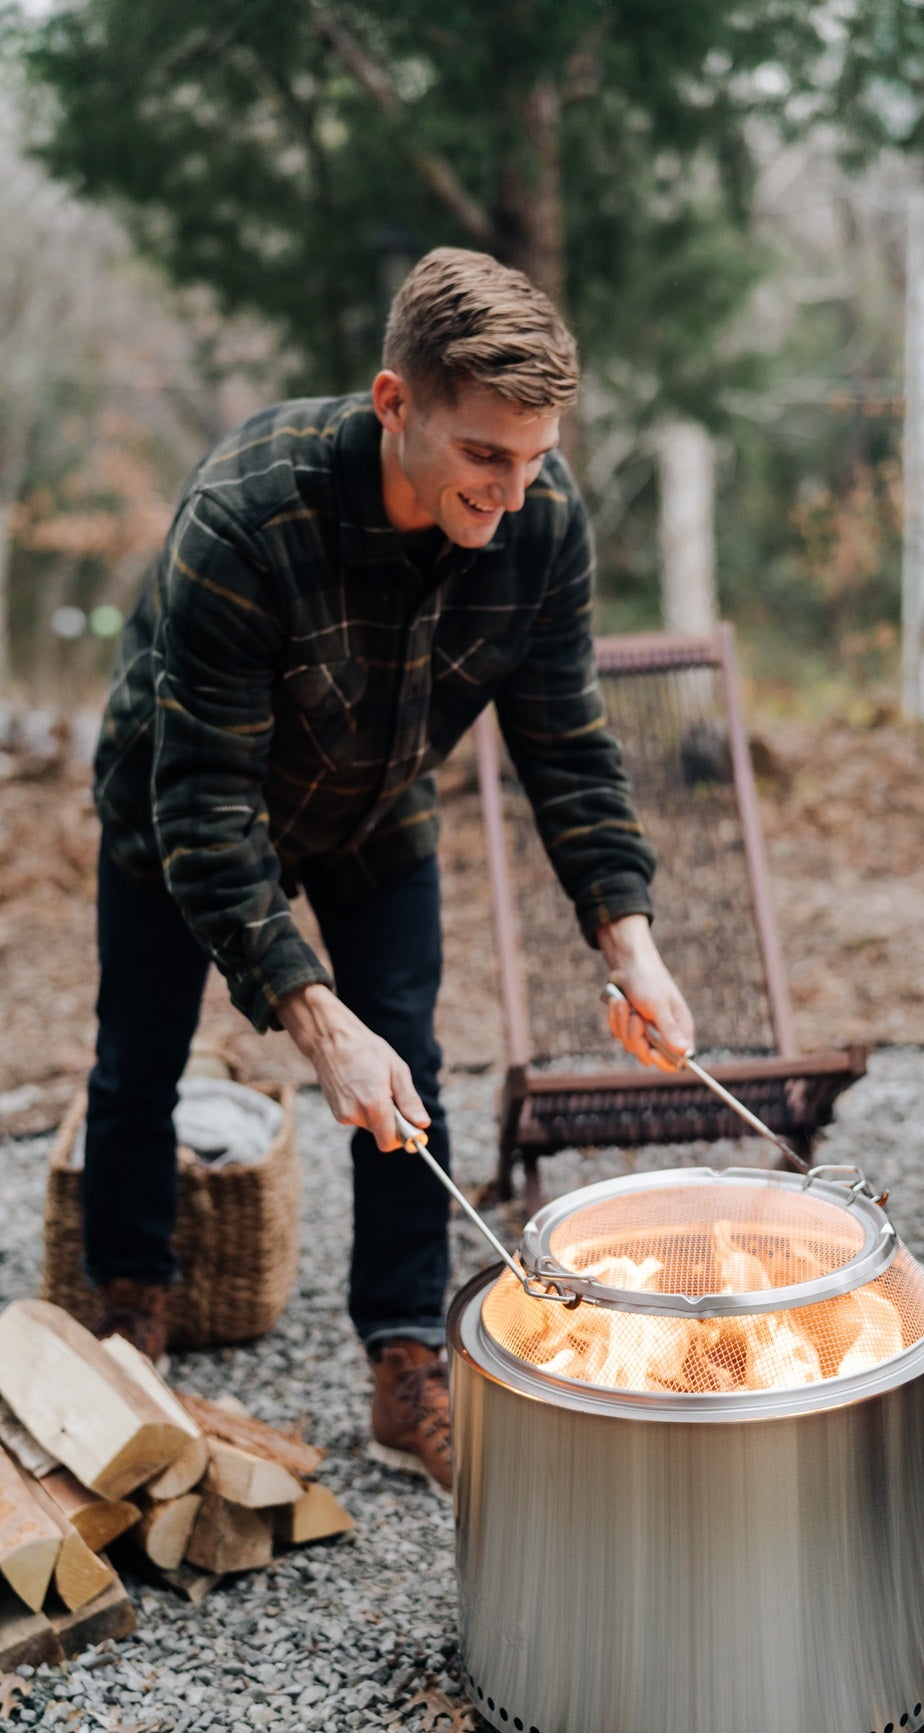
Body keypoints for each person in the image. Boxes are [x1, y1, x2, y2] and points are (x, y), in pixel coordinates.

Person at [84, 247, 694, 1489]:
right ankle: (127, 1315)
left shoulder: (541, 517)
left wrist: (632, 946)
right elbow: (205, 805)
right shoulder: (249, 514)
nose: (513, 492)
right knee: (138, 1061)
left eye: (535, 458)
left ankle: (406, 1357)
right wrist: (315, 1024)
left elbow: (567, 745)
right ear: (393, 403)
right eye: (485, 457)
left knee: (406, 1054)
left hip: (374, 808)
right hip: (182, 804)